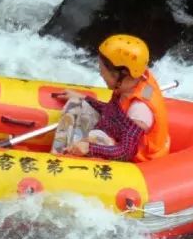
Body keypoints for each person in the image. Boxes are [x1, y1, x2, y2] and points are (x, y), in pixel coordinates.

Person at [50, 34, 171, 162]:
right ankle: (57, 155)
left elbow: (126, 152)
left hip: (134, 160)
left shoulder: (140, 110)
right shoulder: (130, 84)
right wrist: (85, 98)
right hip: (116, 133)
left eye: (103, 70)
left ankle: (67, 161)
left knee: (96, 137)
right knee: (76, 103)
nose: (100, 74)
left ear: (121, 74)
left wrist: (90, 148)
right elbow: (114, 113)